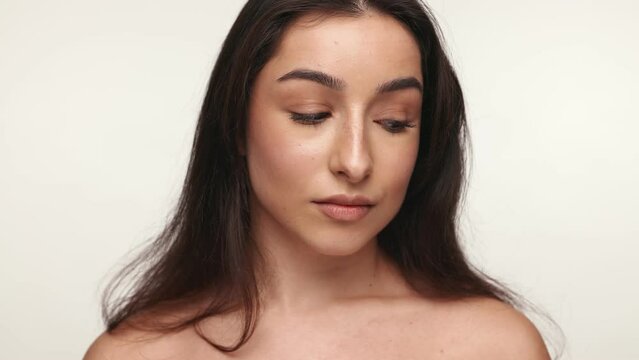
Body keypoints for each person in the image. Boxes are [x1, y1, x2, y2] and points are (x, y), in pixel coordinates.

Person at [84, 0, 555, 358]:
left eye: (394, 121)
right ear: (235, 124)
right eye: (310, 115)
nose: (355, 162)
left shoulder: (494, 346)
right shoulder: (137, 353)